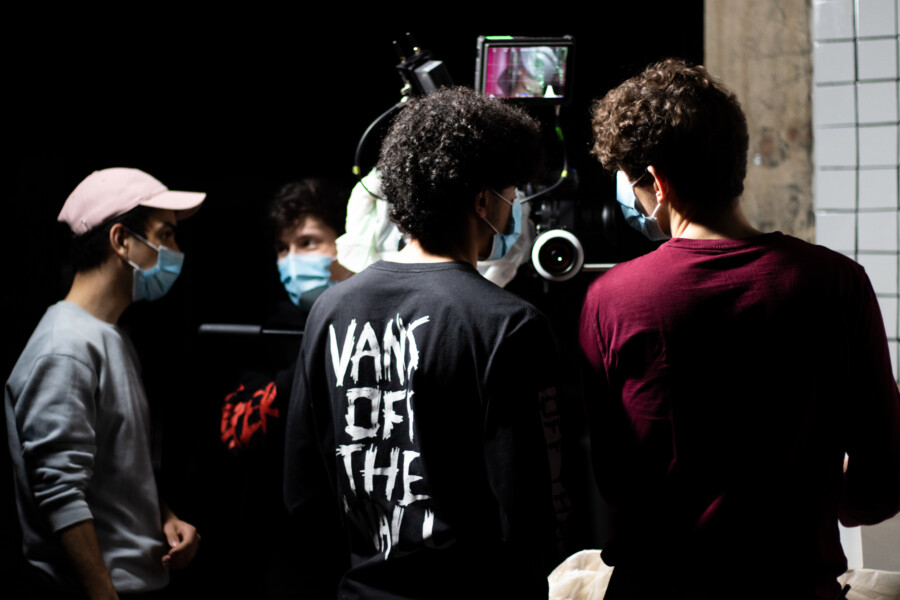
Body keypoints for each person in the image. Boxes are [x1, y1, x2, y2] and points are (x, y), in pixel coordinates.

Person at [580, 58, 900, 599]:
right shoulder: (838, 282)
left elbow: (615, 481)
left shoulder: (612, 298)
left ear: (657, 182)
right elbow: (882, 481)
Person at [284, 87, 569, 599]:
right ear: (482, 201)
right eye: (510, 194)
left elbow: (303, 492)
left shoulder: (329, 310)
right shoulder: (510, 324)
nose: (512, 212)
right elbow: (528, 508)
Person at [5, 167, 204, 599]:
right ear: (121, 240)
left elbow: (115, 470)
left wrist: (163, 517)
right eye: (165, 235)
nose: (176, 251)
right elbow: (60, 492)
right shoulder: (64, 347)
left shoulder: (108, 336)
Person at [216, 178, 351, 597]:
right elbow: (237, 433)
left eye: (308, 243)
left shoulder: (388, 323)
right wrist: (314, 357)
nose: (291, 261)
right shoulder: (270, 334)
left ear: (349, 242)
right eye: (282, 248)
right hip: (287, 550)